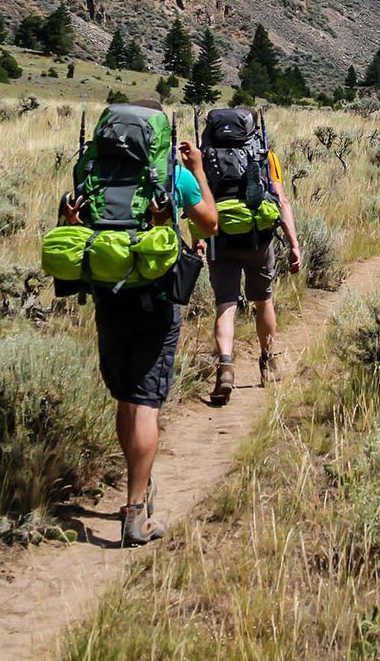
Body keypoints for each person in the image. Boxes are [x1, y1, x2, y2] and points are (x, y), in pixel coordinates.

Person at [79, 97, 216, 547]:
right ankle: (136, 510)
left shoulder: (91, 168)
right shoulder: (168, 175)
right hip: (155, 297)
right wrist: (196, 169)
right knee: (147, 400)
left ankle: (138, 478)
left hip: (107, 290)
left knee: (124, 395)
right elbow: (209, 224)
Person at [209, 143, 301, 404]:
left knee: (225, 305)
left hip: (221, 240)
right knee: (263, 300)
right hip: (258, 241)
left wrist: (199, 238)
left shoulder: (208, 155)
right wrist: (293, 244)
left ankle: (225, 367)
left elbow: (200, 201)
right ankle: (269, 362)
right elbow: (281, 200)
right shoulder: (266, 156)